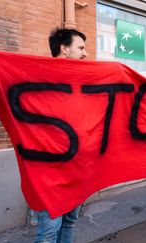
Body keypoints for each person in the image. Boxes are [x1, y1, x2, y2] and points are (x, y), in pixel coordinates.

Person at [34, 27, 87, 243]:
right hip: (49, 174)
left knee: (69, 223)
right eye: (81, 47)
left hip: (77, 171)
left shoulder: (83, 82)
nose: (85, 53)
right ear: (64, 49)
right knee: (48, 232)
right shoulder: (39, 78)